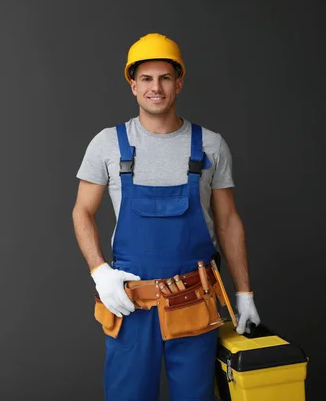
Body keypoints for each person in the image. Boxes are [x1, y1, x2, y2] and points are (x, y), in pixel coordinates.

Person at [71, 33, 261, 401]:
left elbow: (228, 222)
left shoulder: (210, 145)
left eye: (164, 78)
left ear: (179, 83)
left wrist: (245, 293)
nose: (155, 87)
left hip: (195, 303)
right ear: (133, 85)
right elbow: (82, 211)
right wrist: (100, 273)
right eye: (146, 78)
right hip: (129, 303)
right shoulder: (108, 144)